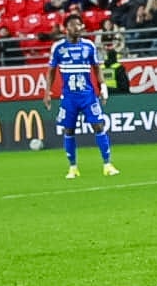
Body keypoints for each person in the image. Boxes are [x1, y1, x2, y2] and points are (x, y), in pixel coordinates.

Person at [45, 13, 119, 178]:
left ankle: (107, 164)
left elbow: (97, 68)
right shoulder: (58, 47)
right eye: (73, 25)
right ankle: (73, 167)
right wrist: (47, 92)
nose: (77, 28)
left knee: (99, 126)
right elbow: (51, 70)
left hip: (88, 96)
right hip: (69, 97)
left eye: (79, 24)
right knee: (69, 130)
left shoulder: (89, 46)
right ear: (66, 28)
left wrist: (103, 87)